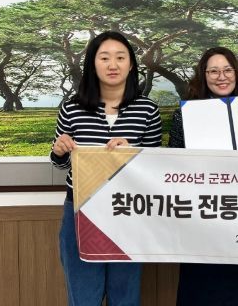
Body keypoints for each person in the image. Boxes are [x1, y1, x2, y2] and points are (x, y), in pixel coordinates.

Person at [50, 31, 163, 306]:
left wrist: (132, 153)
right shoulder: (72, 107)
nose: (113, 65)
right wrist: (59, 150)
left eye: (120, 58)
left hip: (129, 209)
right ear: (93, 64)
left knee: (125, 296)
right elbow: (60, 163)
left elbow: (156, 167)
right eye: (104, 58)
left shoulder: (147, 109)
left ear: (131, 65)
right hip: (81, 208)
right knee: (83, 296)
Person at [169, 46, 238, 306]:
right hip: (201, 217)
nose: (221, 77)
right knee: (199, 290)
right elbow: (173, 166)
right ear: (203, 76)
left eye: (227, 70)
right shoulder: (185, 114)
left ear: (237, 73)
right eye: (213, 71)